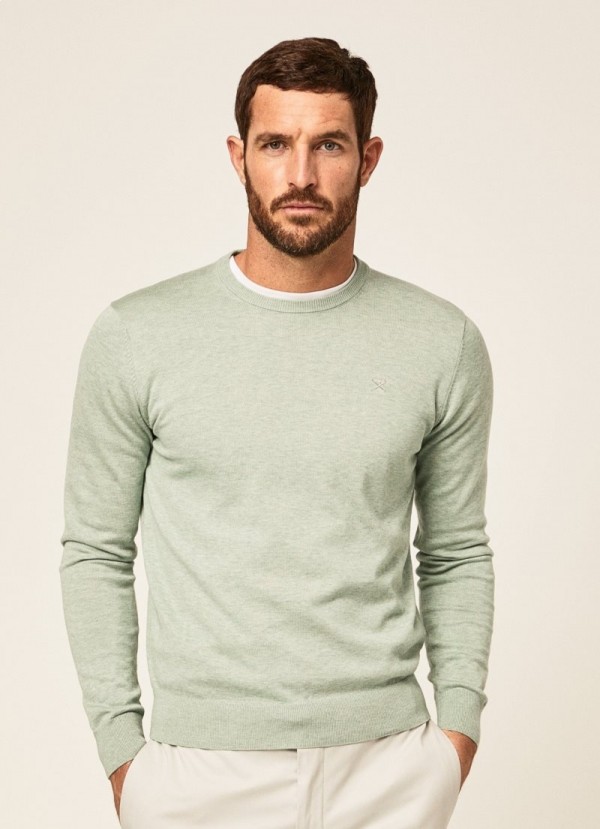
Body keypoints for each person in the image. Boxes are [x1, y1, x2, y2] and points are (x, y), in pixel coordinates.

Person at [59, 36, 495, 829]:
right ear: (239, 157)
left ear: (367, 159)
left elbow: (456, 549)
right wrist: (125, 755)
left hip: (389, 769)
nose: (300, 174)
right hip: (199, 773)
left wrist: (455, 736)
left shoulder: (442, 342)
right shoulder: (137, 335)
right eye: (274, 144)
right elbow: (95, 549)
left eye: (328, 144)